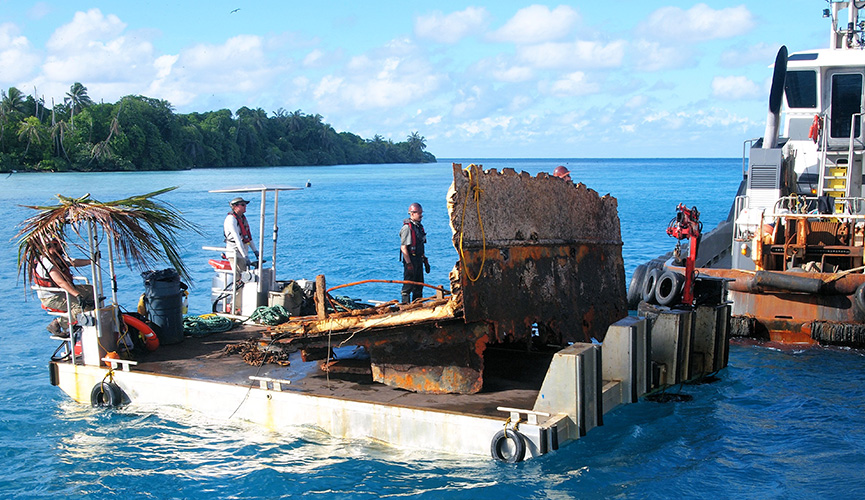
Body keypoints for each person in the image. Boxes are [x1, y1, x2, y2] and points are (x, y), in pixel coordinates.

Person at [32, 238, 95, 336]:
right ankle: (58, 323)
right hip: (52, 297)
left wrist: (91, 261)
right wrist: (77, 295)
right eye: (58, 245)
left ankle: (85, 313)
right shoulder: (47, 262)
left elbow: (73, 262)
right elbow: (60, 282)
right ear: (51, 246)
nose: (61, 247)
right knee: (81, 306)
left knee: (90, 290)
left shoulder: (56, 257)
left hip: (61, 291)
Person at [400, 202, 429, 304]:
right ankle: (405, 306)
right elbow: (403, 248)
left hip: (418, 259)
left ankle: (417, 305)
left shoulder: (419, 227)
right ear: (412, 214)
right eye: (418, 213)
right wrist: (408, 264)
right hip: (410, 259)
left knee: (419, 285)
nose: (421, 215)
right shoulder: (407, 228)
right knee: (408, 285)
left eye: (421, 213)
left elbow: (421, 245)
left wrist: (425, 260)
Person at [224, 197, 259, 273]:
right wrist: (245, 256)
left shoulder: (243, 219)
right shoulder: (231, 219)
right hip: (234, 251)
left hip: (243, 251)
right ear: (235, 206)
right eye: (242, 205)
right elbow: (237, 238)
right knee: (238, 275)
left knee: (245, 273)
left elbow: (248, 236)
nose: (245, 206)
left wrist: (255, 250)